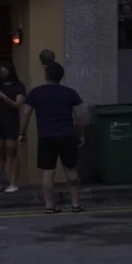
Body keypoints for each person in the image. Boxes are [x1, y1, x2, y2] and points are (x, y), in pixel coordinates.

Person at [21, 61, 86, 214]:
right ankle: (75, 204)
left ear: (46, 76)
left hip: (46, 136)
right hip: (67, 135)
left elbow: (25, 114)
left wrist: (21, 133)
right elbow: (80, 117)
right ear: (61, 76)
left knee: (47, 172)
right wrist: (81, 135)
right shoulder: (70, 93)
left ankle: (49, 206)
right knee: (70, 170)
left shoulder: (36, 93)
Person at [0, 62, 24, 194]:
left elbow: (18, 104)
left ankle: (13, 183)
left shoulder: (19, 87)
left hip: (11, 121)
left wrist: (4, 97)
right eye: (1, 71)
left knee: (11, 151)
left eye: (5, 71)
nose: (3, 73)